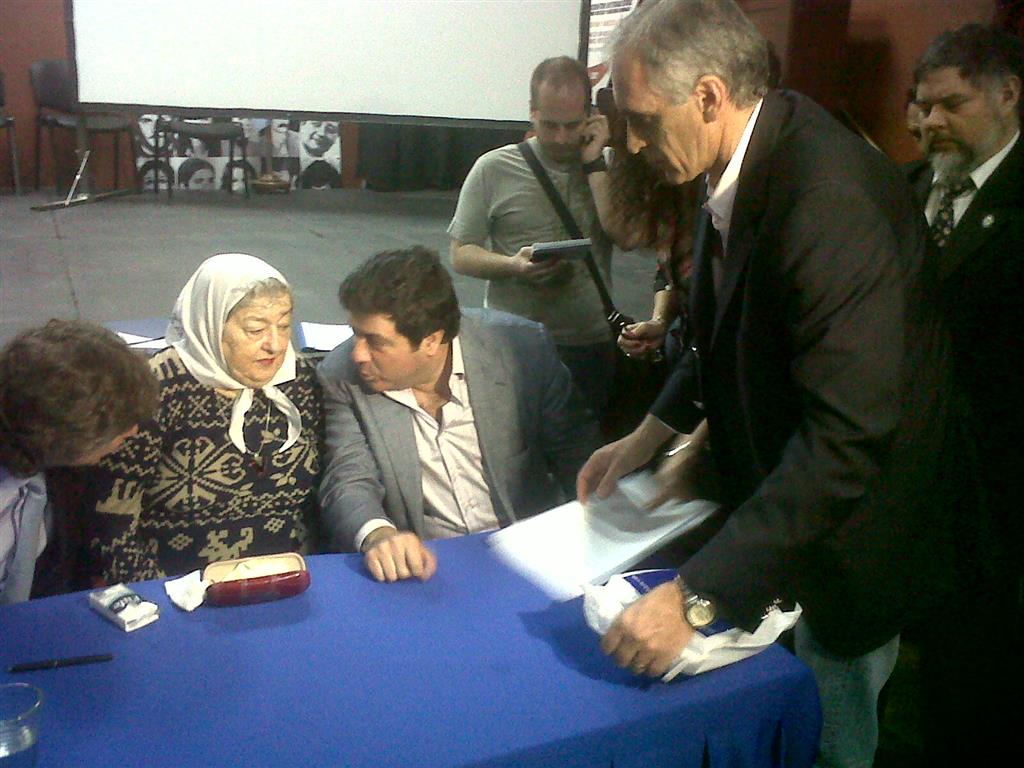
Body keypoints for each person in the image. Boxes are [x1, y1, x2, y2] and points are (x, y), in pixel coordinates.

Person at [575, 3, 955, 767]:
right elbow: (719, 333)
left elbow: (845, 441)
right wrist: (647, 435)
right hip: (787, 519)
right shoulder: (747, 153)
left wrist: (692, 598)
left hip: (852, 540)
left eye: (644, 120)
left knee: (829, 734)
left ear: (710, 97)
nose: (634, 143)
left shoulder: (826, 199)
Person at [317, 246, 599, 583]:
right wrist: (378, 536)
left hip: (530, 557)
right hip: (430, 566)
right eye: (355, 333)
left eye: (374, 341)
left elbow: (579, 457)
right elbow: (348, 477)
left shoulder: (522, 352)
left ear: (432, 340)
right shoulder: (341, 375)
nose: (358, 354)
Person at [906, 24, 1023, 762]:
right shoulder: (905, 188)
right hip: (904, 476)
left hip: (997, 488)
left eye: (954, 103)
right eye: (926, 106)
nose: (934, 122)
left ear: (1010, 94)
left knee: (973, 679)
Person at [86, 254, 324, 582]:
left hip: (287, 580)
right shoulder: (158, 390)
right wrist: (157, 596)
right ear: (210, 323)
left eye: (283, 326)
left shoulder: (301, 383)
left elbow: (323, 497)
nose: (275, 344)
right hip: (180, 590)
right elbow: (110, 523)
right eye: (255, 329)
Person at [448, 56, 630, 419]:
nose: (561, 138)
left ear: (591, 116)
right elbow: (460, 254)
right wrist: (513, 266)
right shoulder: (493, 168)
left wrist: (594, 165)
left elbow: (626, 237)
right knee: (511, 452)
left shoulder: (607, 166)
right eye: (549, 125)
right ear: (531, 113)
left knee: (583, 455)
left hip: (589, 342)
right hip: (511, 343)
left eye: (572, 125)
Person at [0, 320, 157, 604]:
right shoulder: (8, 502)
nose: (133, 431)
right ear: (68, 431)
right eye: (120, 423)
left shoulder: (52, 469)